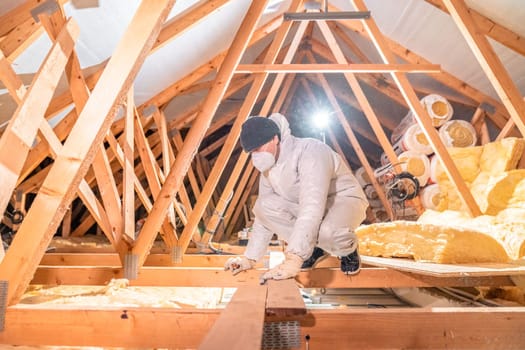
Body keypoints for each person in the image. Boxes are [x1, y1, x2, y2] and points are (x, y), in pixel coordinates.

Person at [224, 113, 369, 281]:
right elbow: (264, 218)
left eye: (258, 148)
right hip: (308, 207)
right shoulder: (268, 170)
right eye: (251, 152)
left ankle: (347, 250)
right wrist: (249, 258)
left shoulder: (310, 151)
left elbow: (312, 204)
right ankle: (316, 248)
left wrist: (294, 258)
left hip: (343, 200)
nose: (256, 156)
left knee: (330, 233)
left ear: (275, 139)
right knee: (264, 206)